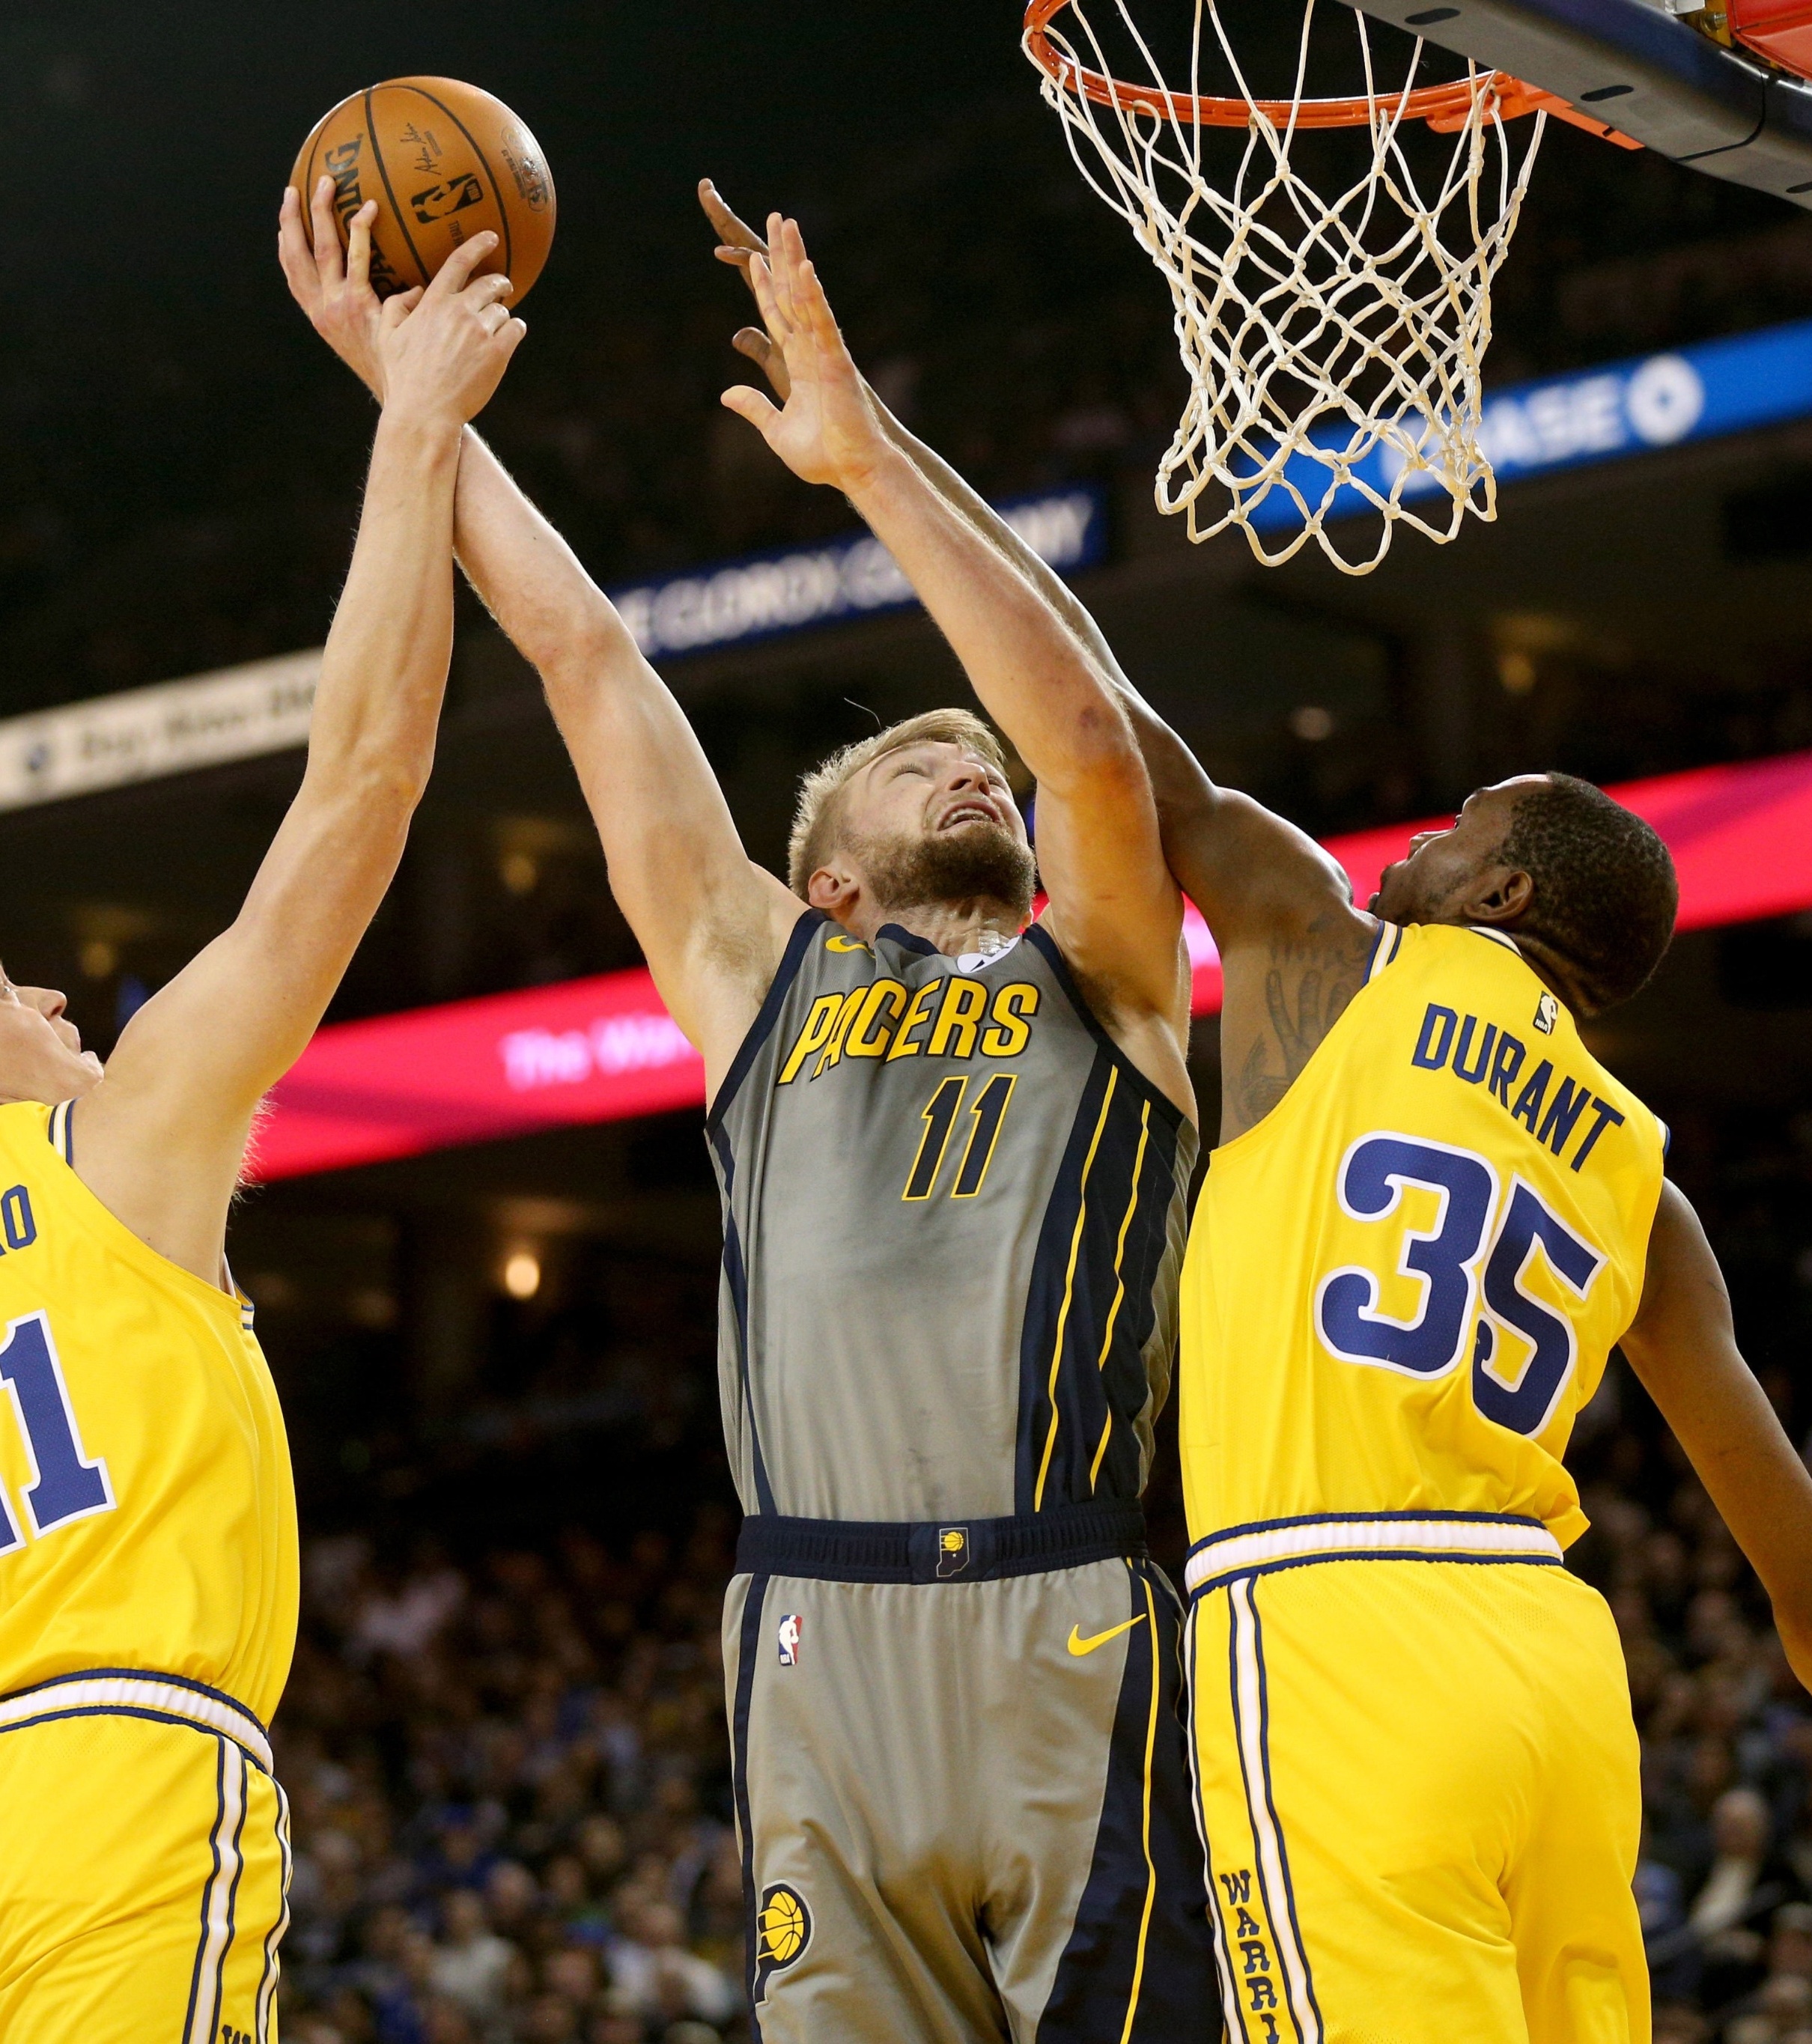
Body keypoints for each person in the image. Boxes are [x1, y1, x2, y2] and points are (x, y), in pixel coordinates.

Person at [689, 200, 1812, 2040]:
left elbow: (1089, 712)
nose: (1418, 833)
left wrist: (872, 458)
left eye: (1461, 821)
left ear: (1501, 892)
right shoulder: (1643, 1180)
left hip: (1328, 1637)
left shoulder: (1335, 954)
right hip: (1554, 1674)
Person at [282, 188, 1220, 2044]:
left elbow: (1093, 749)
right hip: (809, 1634)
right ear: (828, 881)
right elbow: (588, 663)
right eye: (911, 759)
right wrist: (407, 404)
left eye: (981, 759)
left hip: (1078, 1619)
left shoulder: (1104, 980)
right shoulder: (755, 974)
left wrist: (867, 469)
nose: (971, 757)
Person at [0, 217, 523, 2037]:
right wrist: (413, 425)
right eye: (22, 991)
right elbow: (364, 786)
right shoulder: (109, 1145)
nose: (62, 1000)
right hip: (106, 1774)